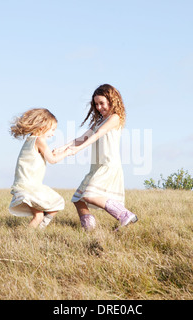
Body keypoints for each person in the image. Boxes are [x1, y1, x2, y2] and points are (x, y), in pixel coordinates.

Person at [54, 84, 138, 231]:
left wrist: (79, 149)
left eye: (102, 103)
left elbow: (98, 134)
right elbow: (81, 137)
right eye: (96, 104)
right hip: (96, 166)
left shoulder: (115, 118)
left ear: (112, 101)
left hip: (108, 164)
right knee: (78, 199)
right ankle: (90, 228)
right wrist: (62, 148)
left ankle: (125, 215)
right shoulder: (98, 121)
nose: (99, 107)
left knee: (90, 195)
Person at [9, 108, 72, 229]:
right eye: (52, 129)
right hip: (30, 187)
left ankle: (37, 231)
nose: (53, 133)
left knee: (48, 209)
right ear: (43, 126)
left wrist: (55, 153)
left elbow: (47, 155)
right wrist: (67, 152)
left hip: (24, 185)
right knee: (49, 209)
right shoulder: (39, 140)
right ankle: (27, 236)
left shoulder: (30, 139)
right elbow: (52, 160)